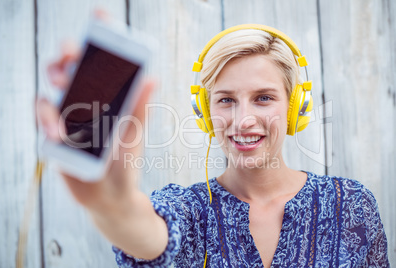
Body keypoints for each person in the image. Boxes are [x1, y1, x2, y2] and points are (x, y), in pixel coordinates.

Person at [37, 22, 390, 267]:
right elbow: (145, 233)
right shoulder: (186, 209)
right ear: (205, 114)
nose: (243, 120)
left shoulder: (352, 205)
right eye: (225, 100)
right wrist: (113, 207)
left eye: (264, 98)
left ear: (295, 105)